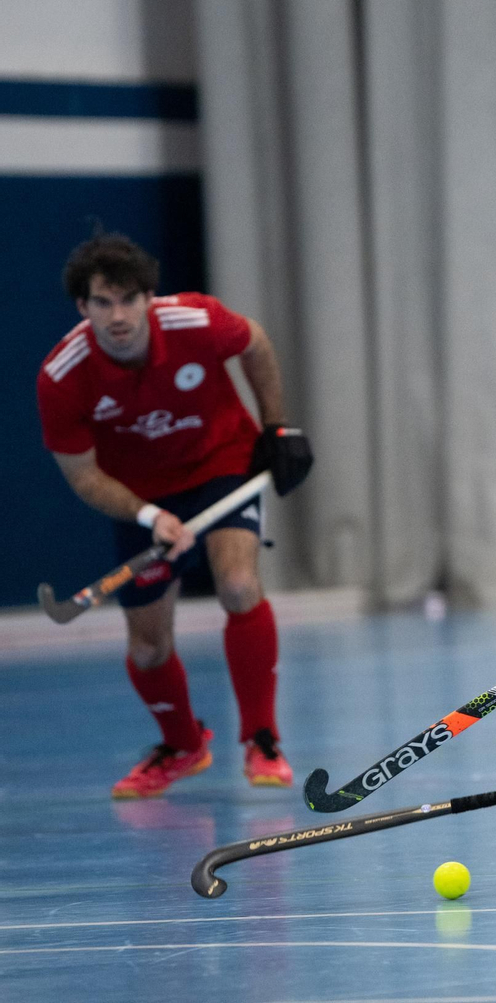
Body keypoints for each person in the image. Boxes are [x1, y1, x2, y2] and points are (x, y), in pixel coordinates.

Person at [36, 234, 313, 798]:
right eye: (102, 303)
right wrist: (146, 515)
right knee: (148, 648)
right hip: (136, 495)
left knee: (237, 584)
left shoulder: (195, 321)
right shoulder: (62, 377)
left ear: (149, 297)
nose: (118, 315)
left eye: (129, 299)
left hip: (222, 465)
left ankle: (262, 738)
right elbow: (84, 476)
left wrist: (277, 427)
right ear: (82, 309)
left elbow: (255, 344)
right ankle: (183, 745)